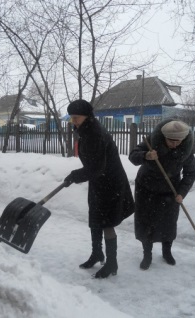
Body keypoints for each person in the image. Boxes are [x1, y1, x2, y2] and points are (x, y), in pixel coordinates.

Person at [64, 99, 135, 279]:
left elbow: (96, 167)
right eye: (72, 118)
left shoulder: (94, 133)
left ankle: (112, 263)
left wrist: (75, 175)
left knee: (106, 222)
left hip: (110, 184)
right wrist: (77, 175)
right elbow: (94, 167)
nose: (74, 121)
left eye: (76, 117)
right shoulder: (86, 130)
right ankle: (97, 253)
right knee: (95, 219)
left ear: (87, 116)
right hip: (99, 181)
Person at [128, 119, 195, 270]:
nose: (174, 144)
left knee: (168, 223)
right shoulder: (152, 141)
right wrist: (146, 155)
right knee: (146, 222)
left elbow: (190, 173)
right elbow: (133, 156)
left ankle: (167, 252)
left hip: (170, 190)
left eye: (177, 141)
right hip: (146, 188)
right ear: (164, 136)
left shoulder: (186, 150)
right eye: (170, 140)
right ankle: (147, 254)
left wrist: (181, 193)